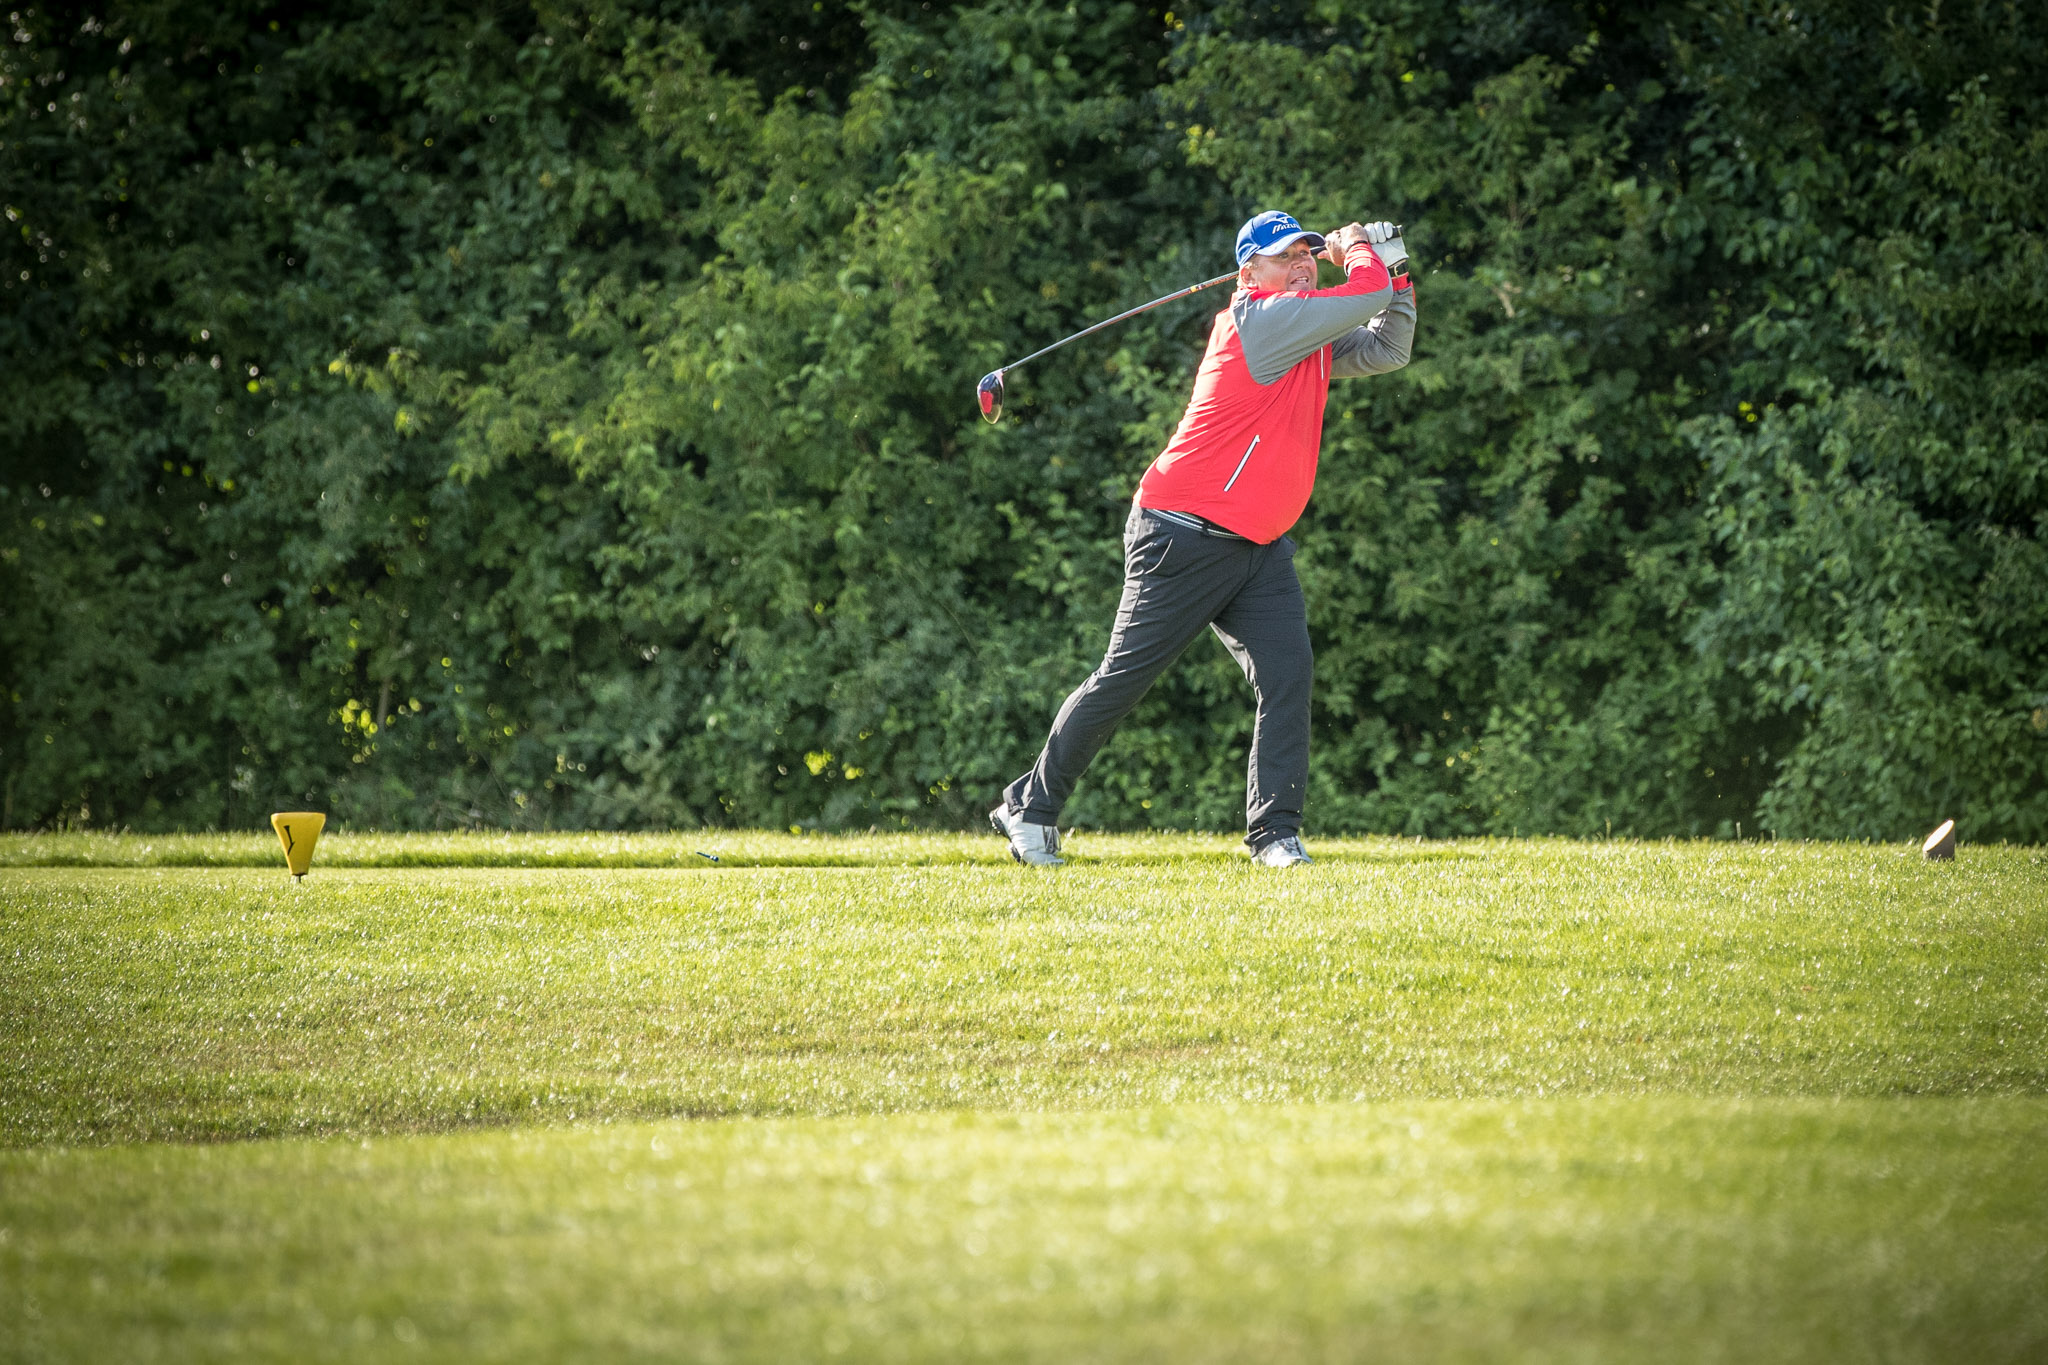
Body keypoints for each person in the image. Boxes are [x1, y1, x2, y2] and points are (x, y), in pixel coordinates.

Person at [990, 211, 1417, 867]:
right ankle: (1029, 808)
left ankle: (1275, 835)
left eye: (1308, 253)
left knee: (1288, 676)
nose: (1304, 263)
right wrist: (1360, 250)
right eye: (1286, 256)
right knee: (1123, 679)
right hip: (1181, 535)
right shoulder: (1263, 321)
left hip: (1258, 546)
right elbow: (1365, 295)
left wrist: (1398, 271)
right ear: (1250, 273)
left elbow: (1388, 347)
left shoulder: (1304, 333)